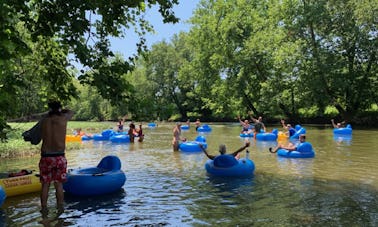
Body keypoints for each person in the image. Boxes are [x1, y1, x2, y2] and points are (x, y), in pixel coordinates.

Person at [39, 100, 74, 212]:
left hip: (46, 157)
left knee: (45, 185)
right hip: (59, 156)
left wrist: (51, 112)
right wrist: (60, 111)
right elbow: (71, 112)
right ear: (59, 108)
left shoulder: (44, 120)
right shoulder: (63, 118)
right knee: (58, 184)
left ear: (49, 109)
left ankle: (44, 209)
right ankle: (60, 208)